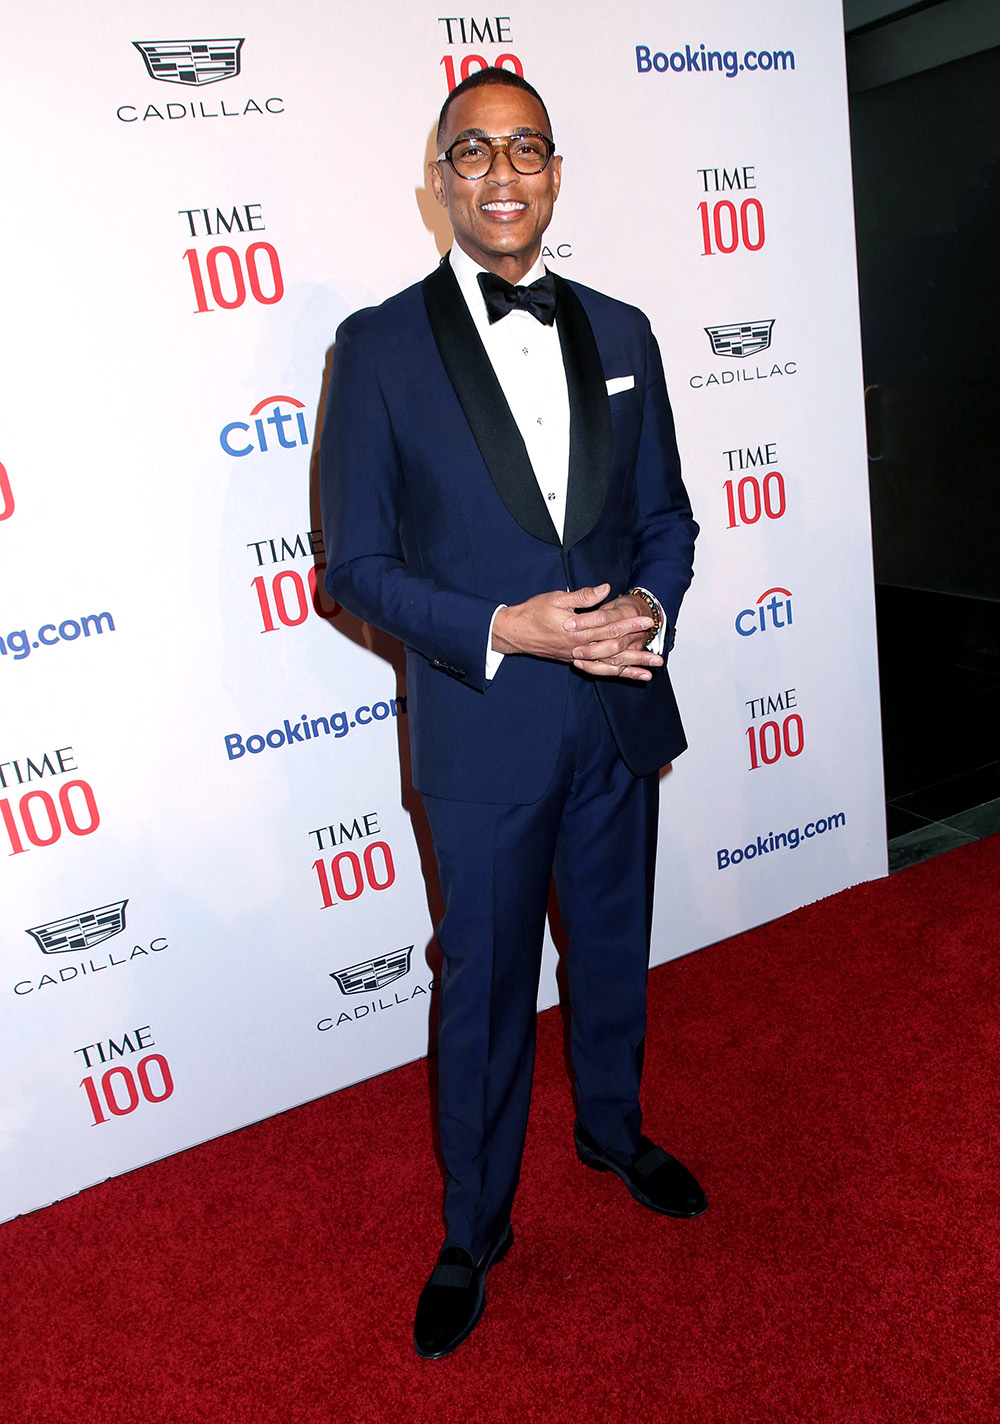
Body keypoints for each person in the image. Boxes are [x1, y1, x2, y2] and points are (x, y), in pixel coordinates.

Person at [319, 66, 705, 1360]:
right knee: (483, 988)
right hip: (481, 735)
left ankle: (613, 1129)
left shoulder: (628, 330)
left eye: (526, 150)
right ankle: (472, 1230)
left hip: (615, 718)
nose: (502, 174)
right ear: (439, 177)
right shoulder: (376, 348)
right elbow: (355, 569)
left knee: (609, 950)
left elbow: (666, 520)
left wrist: (645, 610)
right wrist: (500, 628)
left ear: (554, 172)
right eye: (473, 151)